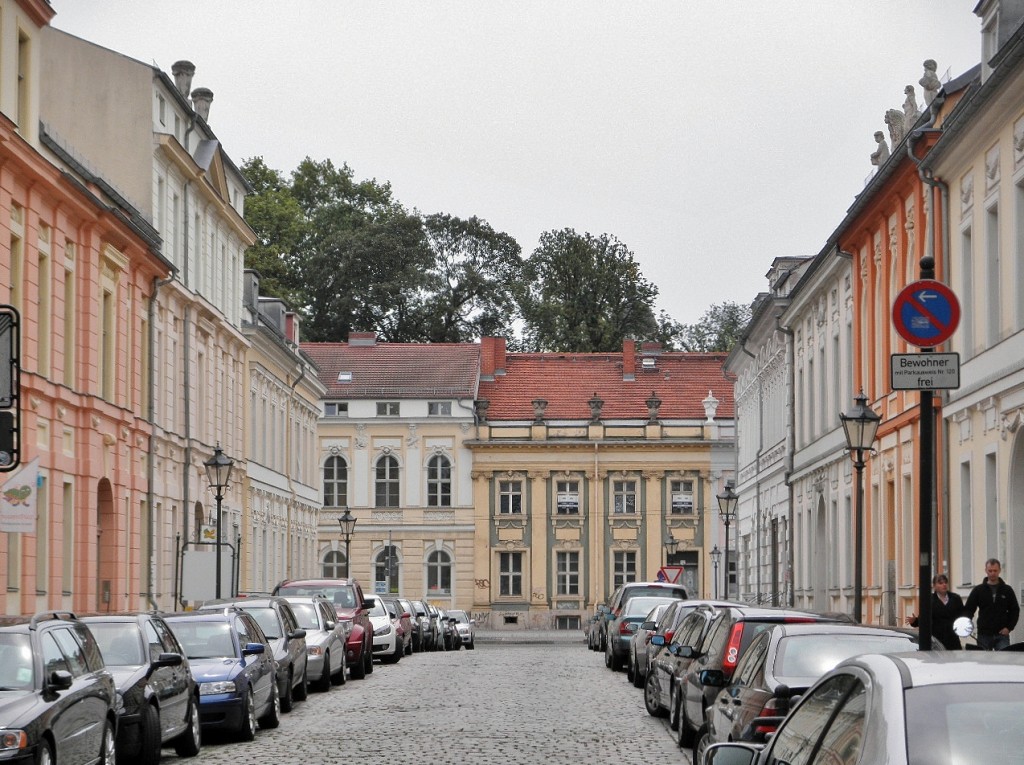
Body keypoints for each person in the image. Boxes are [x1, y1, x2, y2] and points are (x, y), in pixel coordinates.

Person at [963, 558, 1020, 650]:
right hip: (984, 635)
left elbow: (1014, 610)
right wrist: (965, 626)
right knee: (984, 662)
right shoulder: (978, 590)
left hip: (1002, 634)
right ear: (986, 570)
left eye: (995, 570)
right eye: (990, 570)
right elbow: (969, 609)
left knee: (1003, 660)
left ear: (999, 570)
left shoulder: (1007, 590)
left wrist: (1009, 628)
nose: (992, 573)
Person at [906, 573, 963, 649]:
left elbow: (962, 616)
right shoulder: (929, 600)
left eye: (945, 582)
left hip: (952, 639)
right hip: (936, 640)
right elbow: (923, 620)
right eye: (940, 583)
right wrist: (914, 621)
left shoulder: (955, 598)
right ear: (934, 586)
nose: (944, 585)